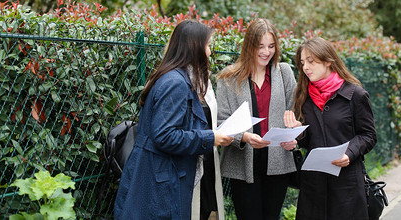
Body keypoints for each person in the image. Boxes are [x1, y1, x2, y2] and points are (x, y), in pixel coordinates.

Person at [114, 20, 233, 220]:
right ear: (194, 47)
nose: (210, 52)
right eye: (207, 45)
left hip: (158, 177)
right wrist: (209, 138)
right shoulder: (175, 83)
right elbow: (165, 135)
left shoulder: (173, 77)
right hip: (161, 182)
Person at [216, 18, 299, 220]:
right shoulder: (229, 77)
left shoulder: (285, 73)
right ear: (249, 46)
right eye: (260, 46)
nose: (266, 52)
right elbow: (221, 122)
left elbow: (295, 112)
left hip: (278, 162)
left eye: (271, 46)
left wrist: (294, 133)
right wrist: (244, 136)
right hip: (243, 164)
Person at [293, 36, 377, 220]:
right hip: (313, 187)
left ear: (328, 61)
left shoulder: (356, 95)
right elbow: (307, 140)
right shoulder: (303, 97)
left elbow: (369, 135)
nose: (305, 67)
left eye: (311, 61)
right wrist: (297, 134)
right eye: (302, 62)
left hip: (347, 186)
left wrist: (349, 153)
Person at [191, 79, 225, 220]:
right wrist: (209, 138)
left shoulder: (205, 80)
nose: (210, 54)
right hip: (188, 168)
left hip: (209, 166)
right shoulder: (174, 80)